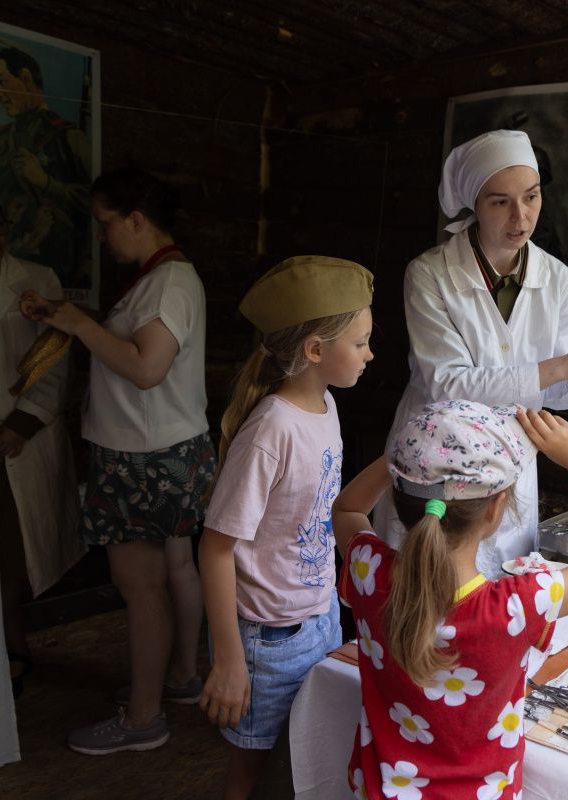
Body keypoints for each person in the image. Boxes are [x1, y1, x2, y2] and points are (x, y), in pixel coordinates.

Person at [333, 401, 568, 799]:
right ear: (496, 508)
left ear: (398, 495)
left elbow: (347, 507)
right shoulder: (520, 604)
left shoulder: (369, 572)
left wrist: (406, 457)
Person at [22, 168, 215, 754]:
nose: (103, 237)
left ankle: (142, 718)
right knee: (166, 577)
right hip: (159, 452)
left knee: (142, 589)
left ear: (137, 220)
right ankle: (177, 679)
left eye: (107, 224)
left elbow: (145, 368)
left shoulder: (168, 284)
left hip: (143, 459)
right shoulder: (161, 279)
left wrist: (80, 324)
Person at [376, 129, 568, 575]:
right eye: (500, 202)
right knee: (419, 597)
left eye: (531, 197)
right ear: (475, 204)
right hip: (435, 465)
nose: (521, 216)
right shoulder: (430, 274)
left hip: (508, 467)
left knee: (497, 604)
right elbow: (447, 383)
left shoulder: (557, 278)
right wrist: (562, 365)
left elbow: (555, 391)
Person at [196, 256, 374, 800]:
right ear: (316, 351)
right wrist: (229, 661)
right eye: (361, 342)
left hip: (319, 618)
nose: (371, 354)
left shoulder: (325, 406)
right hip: (265, 643)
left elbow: (324, 508)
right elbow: (215, 549)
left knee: (306, 759)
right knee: (253, 774)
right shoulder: (270, 430)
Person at [0, 207, 84, 697]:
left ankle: (12, 647)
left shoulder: (35, 279)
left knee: (12, 554)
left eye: (1, 225)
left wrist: (23, 422)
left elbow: (54, 360)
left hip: (14, 440)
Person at [0, 38, 92, 289]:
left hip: (48, 277)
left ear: (26, 78)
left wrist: (47, 183)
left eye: (1, 81)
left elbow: (94, 203)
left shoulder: (67, 138)